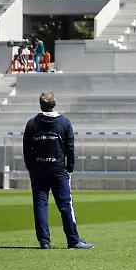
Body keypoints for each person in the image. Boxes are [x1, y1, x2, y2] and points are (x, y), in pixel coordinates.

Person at [23, 92, 93, 250]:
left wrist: (31, 168)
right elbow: (70, 148)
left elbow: (26, 149)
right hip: (58, 169)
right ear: (54, 103)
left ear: (41, 105)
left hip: (38, 170)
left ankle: (44, 241)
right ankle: (73, 240)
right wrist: (70, 168)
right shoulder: (64, 123)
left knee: (40, 205)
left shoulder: (32, 123)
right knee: (66, 205)